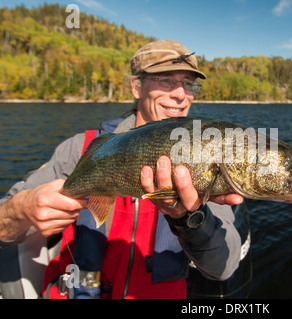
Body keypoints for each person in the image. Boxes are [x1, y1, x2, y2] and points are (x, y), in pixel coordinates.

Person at [0, 40, 245, 299]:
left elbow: (224, 268)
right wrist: (21, 209)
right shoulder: (80, 149)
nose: (181, 94)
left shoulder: (204, 159)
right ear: (136, 86)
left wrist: (192, 220)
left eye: (188, 83)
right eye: (166, 81)